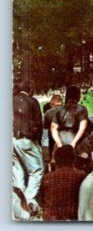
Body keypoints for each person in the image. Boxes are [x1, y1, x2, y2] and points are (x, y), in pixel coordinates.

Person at [13, 78, 44, 218]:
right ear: (30, 89)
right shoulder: (32, 102)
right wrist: (37, 143)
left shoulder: (10, 99)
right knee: (37, 170)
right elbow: (38, 124)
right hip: (27, 140)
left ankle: (17, 204)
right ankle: (28, 200)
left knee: (18, 172)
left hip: (11, 139)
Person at [51, 85, 91, 172]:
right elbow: (82, 128)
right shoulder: (82, 109)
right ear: (78, 96)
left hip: (62, 139)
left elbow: (53, 128)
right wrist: (74, 143)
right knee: (80, 167)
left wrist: (58, 144)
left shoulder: (59, 109)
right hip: (78, 142)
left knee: (60, 167)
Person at [40, 145, 86, 221]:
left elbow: (42, 200)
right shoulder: (81, 175)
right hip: (73, 218)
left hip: (50, 220)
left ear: (56, 160)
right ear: (74, 159)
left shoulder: (47, 177)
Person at [42, 94, 63, 171]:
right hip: (65, 137)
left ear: (52, 102)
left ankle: (54, 172)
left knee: (53, 157)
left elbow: (45, 127)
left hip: (52, 138)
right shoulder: (66, 110)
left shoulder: (48, 112)